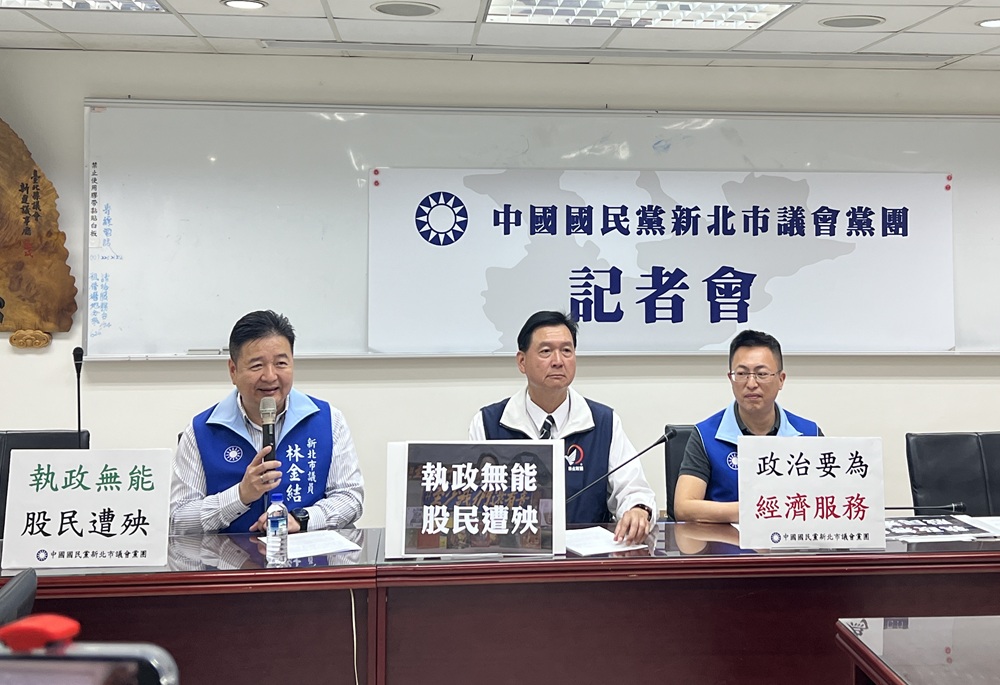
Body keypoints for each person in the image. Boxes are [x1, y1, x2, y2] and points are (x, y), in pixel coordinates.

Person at [469, 311, 656, 545]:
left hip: (588, 557)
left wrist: (638, 509)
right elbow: (473, 499)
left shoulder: (604, 422)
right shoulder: (488, 423)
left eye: (566, 350)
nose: (558, 361)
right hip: (511, 556)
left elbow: (633, 489)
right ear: (522, 362)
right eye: (546, 351)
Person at [170, 310, 364, 534]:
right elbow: (178, 518)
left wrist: (301, 519)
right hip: (229, 555)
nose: (270, 376)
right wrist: (240, 495)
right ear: (233, 371)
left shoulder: (328, 420)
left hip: (306, 554)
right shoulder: (201, 430)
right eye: (256, 366)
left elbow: (351, 498)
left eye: (281, 363)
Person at [673, 329, 820, 524]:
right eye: (741, 374)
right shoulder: (705, 435)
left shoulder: (809, 434)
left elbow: (830, 498)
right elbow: (684, 507)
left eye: (761, 374)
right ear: (730, 378)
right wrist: (754, 510)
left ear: (781, 379)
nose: (751, 383)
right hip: (724, 542)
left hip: (792, 540)